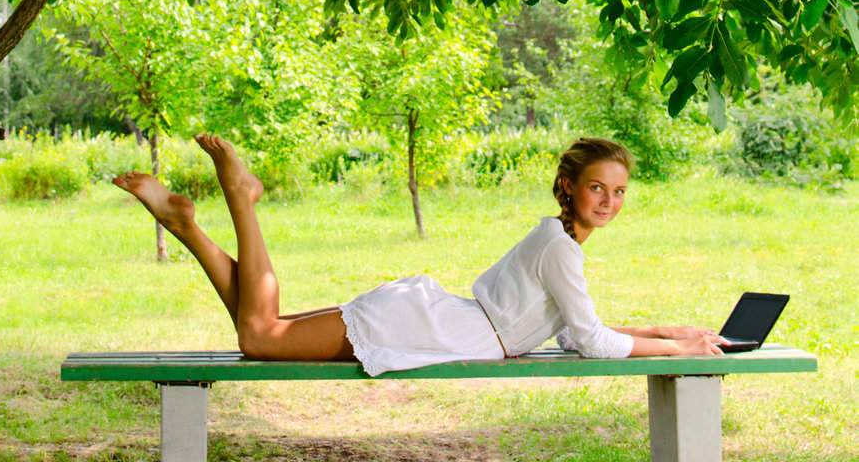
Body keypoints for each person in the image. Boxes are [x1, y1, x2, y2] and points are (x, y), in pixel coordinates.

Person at [112, 133, 728, 371]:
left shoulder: (556, 240)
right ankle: (241, 200)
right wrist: (675, 348)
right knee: (261, 339)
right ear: (569, 186)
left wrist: (660, 329)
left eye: (619, 192)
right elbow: (591, 341)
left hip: (443, 321)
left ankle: (187, 227)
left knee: (264, 328)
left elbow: (573, 333)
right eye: (598, 187)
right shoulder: (561, 248)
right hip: (442, 330)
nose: (610, 201)